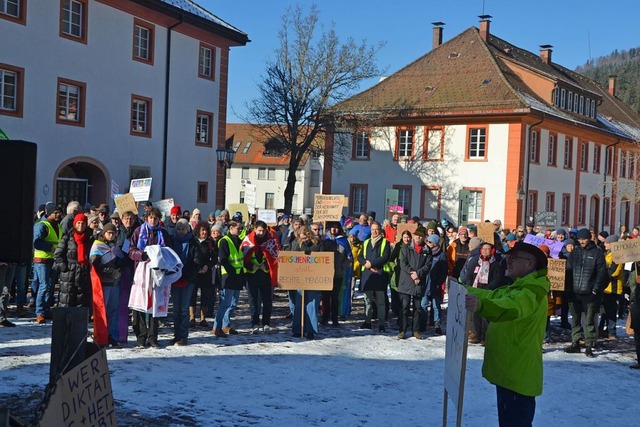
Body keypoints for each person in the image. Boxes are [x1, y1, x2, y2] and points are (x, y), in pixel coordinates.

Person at [464, 242, 549, 426]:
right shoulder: (518, 287)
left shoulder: (531, 291)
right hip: (509, 372)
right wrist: (464, 290)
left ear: (530, 264)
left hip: (518, 376)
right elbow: (493, 296)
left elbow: (511, 308)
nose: (507, 261)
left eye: (513, 258)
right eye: (508, 257)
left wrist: (481, 306)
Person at [128, 207, 172, 348]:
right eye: (151, 217)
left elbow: (169, 252)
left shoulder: (163, 234)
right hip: (141, 271)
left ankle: (153, 337)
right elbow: (131, 250)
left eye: (156, 218)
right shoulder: (138, 231)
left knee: (155, 305)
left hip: (157, 273)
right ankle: (141, 337)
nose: (153, 220)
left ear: (159, 219)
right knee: (140, 305)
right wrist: (142, 255)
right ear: (146, 218)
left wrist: (161, 257)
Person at [564, 228, 607, 357]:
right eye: (580, 239)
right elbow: (569, 270)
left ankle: (589, 345)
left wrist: (595, 290)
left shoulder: (597, 253)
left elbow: (601, 274)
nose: (582, 241)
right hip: (575, 292)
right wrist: (568, 288)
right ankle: (575, 343)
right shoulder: (575, 253)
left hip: (589, 293)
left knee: (589, 322)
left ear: (589, 239)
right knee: (575, 320)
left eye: (584, 239)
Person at [89, 223, 125, 346]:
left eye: (113, 233)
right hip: (104, 284)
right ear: (104, 234)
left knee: (112, 311)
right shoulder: (97, 246)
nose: (111, 235)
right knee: (102, 312)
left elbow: (120, 262)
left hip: (114, 284)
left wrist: (120, 269)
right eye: (109, 233)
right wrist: (112, 273)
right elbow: (96, 266)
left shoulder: (115, 247)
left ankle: (111, 336)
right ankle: (101, 336)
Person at [242, 220, 279, 334]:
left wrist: (266, 265)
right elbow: (242, 257)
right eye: (259, 230)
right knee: (253, 301)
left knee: (267, 301)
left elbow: (275, 257)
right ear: (255, 229)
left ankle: (266, 323)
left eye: (263, 231)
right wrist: (250, 266)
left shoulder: (271, 241)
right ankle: (254, 323)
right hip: (251, 275)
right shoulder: (248, 240)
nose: (261, 233)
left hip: (266, 275)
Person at [169, 219, 201, 346]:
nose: (181, 231)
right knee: (176, 309)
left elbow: (196, 262)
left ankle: (183, 336)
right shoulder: (171, 241)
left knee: (184, 309)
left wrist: (186, 277)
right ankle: (176, 335)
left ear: (188, 229)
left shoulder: (193, 242)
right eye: (179, 229)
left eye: (183, 229)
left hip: (188, 280)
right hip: (174, 278)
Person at [398, 226, 432, 339]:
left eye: (421, 236)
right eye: (417, 235)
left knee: (418, 308)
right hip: (406, 281)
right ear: (414, 236)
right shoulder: (406, 248)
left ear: (424, 237)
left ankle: (416, 330)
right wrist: (412, 273)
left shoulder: (427, 250)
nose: (418, 237)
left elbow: (428, 265)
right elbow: (403, 263)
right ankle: (402, 330)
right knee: (404, 307)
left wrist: (418, 274)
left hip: (419, 282)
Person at [212, 220, 245, 338]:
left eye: (241, 229)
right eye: (238, 228)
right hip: (228, 276)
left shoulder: (239, 241)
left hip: (237, 275)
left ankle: (226, 324)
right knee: (225, 303)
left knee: (233, 303)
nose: (240, 230)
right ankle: (217, 327)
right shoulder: (224, 241)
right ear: (231, 228)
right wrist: (232, 272)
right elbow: (224, 260)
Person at [32, 202, 63, 324]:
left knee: (49, 287)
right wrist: (51, 248)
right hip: (42, 260)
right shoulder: (41, 225)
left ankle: (45, 309)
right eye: (55, 212)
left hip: (53, 260)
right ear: (49, 213)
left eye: (59, 212)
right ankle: (39, 312)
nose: (58, 214)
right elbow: (37, 243)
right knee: (44, 286)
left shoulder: (58, 226)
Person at [54, 213, 93, 309]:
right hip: (69, 275)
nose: (80, 226)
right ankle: (66, 323)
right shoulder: (67, 238)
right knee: (67, 301)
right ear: (75, 224)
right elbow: (58, 254)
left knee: (81, 301)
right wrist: (64, 268)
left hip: (83, 274)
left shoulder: (90, 239)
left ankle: (79, 323)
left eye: (83, 223)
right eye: (78, 223)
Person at [291, 226, 323, 339]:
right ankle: (298, 328)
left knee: (312, 304)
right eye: (302, 238)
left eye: (305, 238)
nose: (303, 240)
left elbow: (322, 259)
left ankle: (311, 329)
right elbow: (292, 258)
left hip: (314, 278)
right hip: (300, 277)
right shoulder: (296, 244)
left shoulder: (317, 244)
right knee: (299, 303)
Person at [358, 221, 391, 332]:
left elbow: (385, 257)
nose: (375, 231)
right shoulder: (366, 242)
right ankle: (367, 321)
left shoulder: (385, 242)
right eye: (373, 229)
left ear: (380, 230)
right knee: (367, 300)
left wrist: (372, 264)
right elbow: (360, 256)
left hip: (379, 275)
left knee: (381, 301)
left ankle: (381, 323)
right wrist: (365, 264)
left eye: (377, 229)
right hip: (367, 275)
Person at [321, 221, 351, 327]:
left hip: (338, 274)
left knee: (335, 297)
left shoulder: (343, 241)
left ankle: (334, 318)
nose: (334, 230)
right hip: (325, 273)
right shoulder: (325, 240)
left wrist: (342, 266)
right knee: (325, 297)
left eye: (336, 228)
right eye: (332, 228)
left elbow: (349, 257)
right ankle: (325, 317)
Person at [190, 221, 217, 329]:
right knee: (192, 295)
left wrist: (208, 265)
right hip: (194, 272)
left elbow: (214, 257)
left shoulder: (210, 242)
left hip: (206, 273)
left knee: (205, 296)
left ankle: (203, 318)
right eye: (202, 230)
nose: (204, 232)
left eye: (206, 230)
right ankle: (192, 317)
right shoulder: (193, 241)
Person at [423, 233, 447, 335]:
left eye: (430, 242)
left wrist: (439, 282)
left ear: (435, 243)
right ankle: (422, 323)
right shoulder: (425, 252)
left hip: (435, 283)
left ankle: (437, 324)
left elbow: (444, 271)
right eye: (427, 241)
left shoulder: (441, 255)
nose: (428, 243)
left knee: (436, 305)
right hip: (425, 283)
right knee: (423, 304)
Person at [601, 234, 623, 339]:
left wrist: (603, 277)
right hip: (606, 287)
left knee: (611, 310)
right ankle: (603, 329)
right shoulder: (607, 254)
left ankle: (611, 332)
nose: (605, 244)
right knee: (605, 310)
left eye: (607, 243)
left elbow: (614, 271)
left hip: (612, 287)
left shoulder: (617, 255)